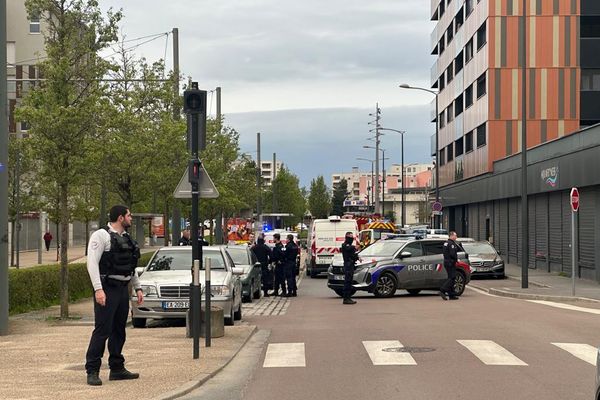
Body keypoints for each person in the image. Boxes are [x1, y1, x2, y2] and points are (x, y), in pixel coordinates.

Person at [84, 205, 144, 386]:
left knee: (119, 330)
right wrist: (98, 289)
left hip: (122, 289)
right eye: (129, 215)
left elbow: (130, 266)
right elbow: (92, 263)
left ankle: (117, 368)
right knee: (103, 330)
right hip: (107, 288)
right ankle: (92, 370)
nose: (131, 218)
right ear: (120, 218)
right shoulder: (101, 236)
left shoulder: (126, 238)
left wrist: (138, 287)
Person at [440, 231, 460, 301]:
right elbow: (452, 254)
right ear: (451, 236)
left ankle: (451, 294)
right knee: (452, 277)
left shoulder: (446, 243)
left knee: (451, 277)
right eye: (455, 235)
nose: (456, 237)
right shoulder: (451, 244)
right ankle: (443, 290)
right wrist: (455, 260)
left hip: (447, 262)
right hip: (450, 263)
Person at [341, 231, 359, 305]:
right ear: (347, 237)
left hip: (350, 265)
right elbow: (348, 248)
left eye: (352, 237)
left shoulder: (350, 246)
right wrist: (354, 247)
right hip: (348, 265)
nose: (352, 239)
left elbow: (352, 255)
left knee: (349, 281)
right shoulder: (345, 245)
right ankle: (346, 298)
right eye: (350, 237)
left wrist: (357, 257)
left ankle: (348, 298)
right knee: (347, 282)